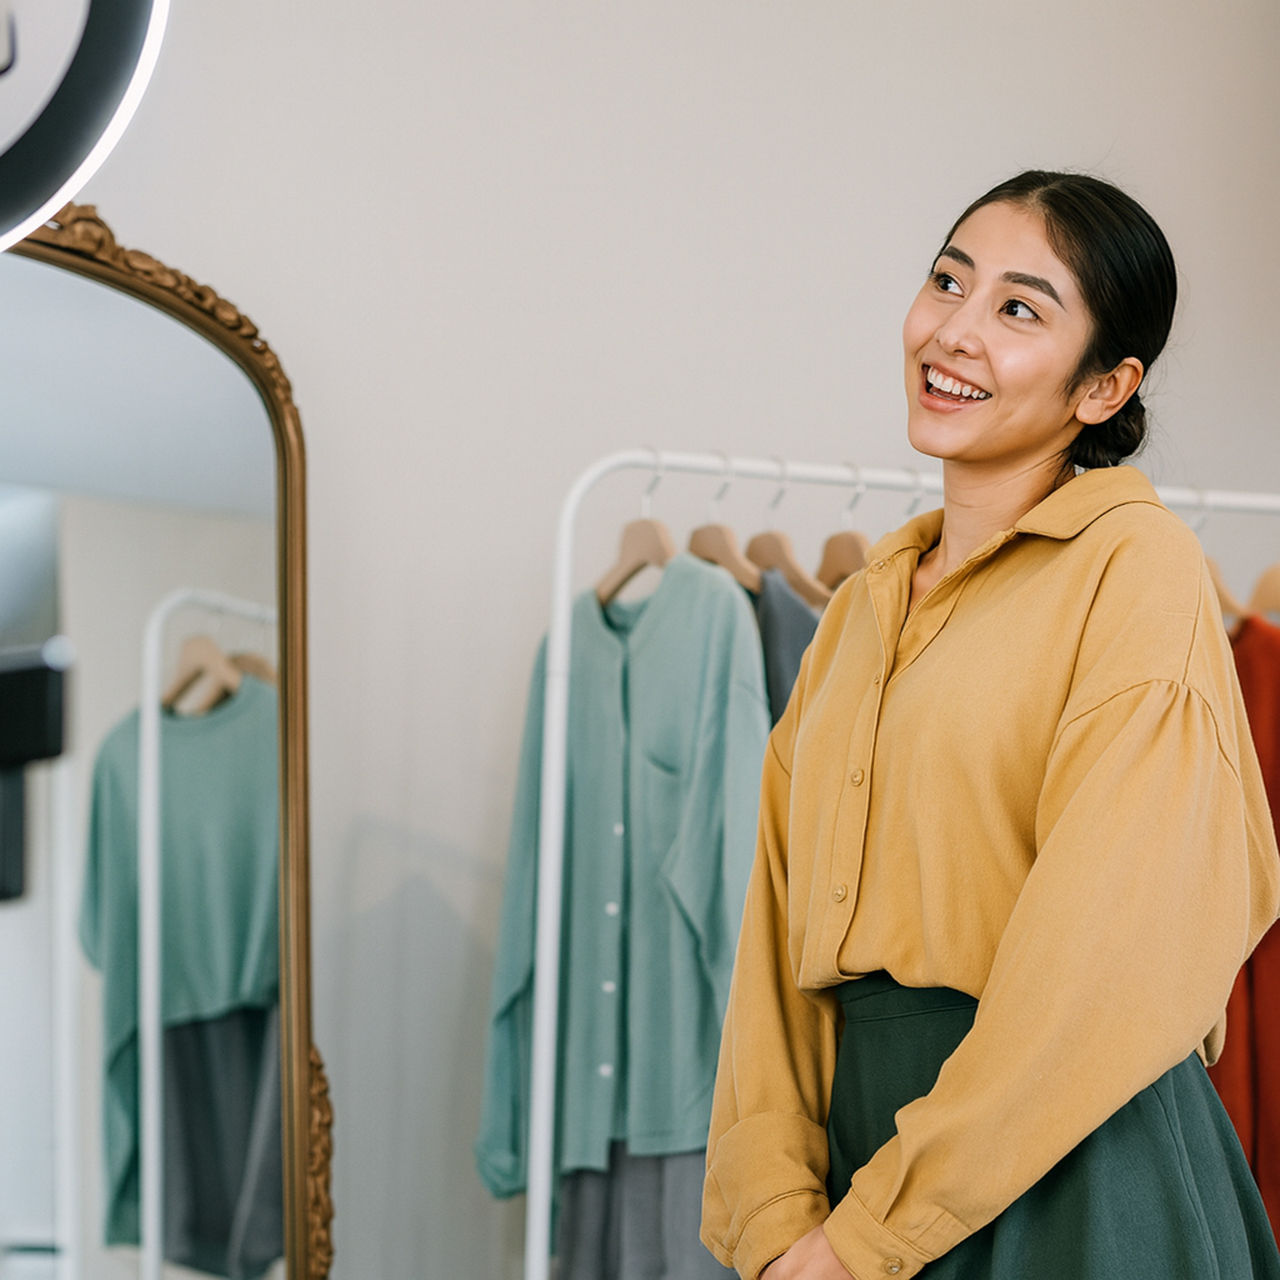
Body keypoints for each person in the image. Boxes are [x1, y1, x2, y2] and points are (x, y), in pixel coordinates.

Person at [699, 170, 1280, 1279]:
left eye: (1017, 308)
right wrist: (772, 1212)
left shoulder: (1133, 567)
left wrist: (865, 1237)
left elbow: (1108, 956)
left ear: (1103, 387)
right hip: (856, 1162)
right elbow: (774, 932)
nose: (952, 330)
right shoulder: (859, 614)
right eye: (945, 280)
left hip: (1074, 1168)